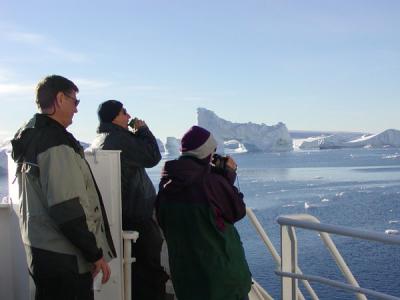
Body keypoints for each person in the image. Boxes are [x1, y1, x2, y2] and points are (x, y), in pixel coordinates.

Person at [11, 75, 116, 300]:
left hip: (41, 251)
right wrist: (94, 254)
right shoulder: (55, 141)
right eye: (75, 101)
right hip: (64, 258)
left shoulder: (30, 134)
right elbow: (66, 207)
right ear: (60, 99)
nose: (77, 109)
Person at [156, 125, 252, 300]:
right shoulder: (211, 183)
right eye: (212, 151)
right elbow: (236, 210)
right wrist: (227, 177)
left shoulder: (167, 182)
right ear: (205, 152)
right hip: (220, 280)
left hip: (186, 278)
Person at [90, 100, 168, 300]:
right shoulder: (118, 139)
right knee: (149, 271)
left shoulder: (103, 138)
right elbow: (152, 156)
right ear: (115, 117)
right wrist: (143, 130)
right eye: (124, 112)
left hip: (125, 213)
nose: (128, 115)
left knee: (139, 272)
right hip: (138, 216)